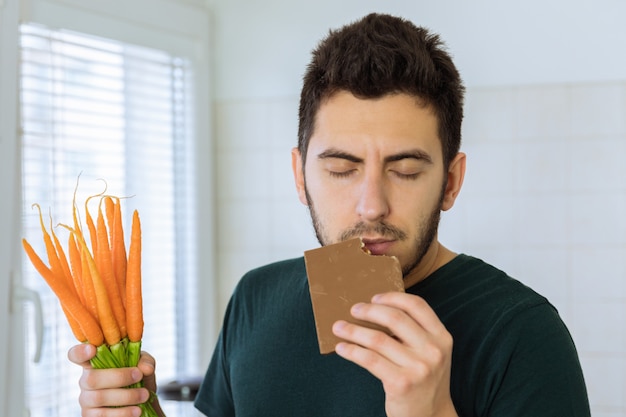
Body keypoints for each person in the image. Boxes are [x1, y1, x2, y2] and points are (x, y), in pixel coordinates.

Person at [68, 12, 591, 417]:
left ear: (450, 182)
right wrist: (141, 410)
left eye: (406, 170)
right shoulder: (256, 298)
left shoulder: (524, 334)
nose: (371, 205)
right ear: (300, 177)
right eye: (341, 168)